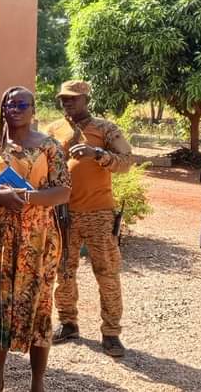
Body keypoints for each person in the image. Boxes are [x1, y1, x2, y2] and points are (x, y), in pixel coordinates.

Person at [0, 86, 70, 392]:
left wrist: (27, 195)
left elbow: (63, 191)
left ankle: (37, 381)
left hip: (37, 239)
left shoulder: (49, 147)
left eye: (21, 104)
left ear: (33, 109)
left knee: (38, 305)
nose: (14, 109)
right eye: (9, 105)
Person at [46, 80, 133, 358]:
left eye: (72, 98)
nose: (67, 103)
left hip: (98, 213)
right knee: (64, 271)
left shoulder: (105, 129)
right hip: (63, 213)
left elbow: (127, 162)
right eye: (63, 99)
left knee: (106, 273)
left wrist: (98, 154)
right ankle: (68, 322)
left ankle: (111, 334)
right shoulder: (53, 130)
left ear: (86, 99)